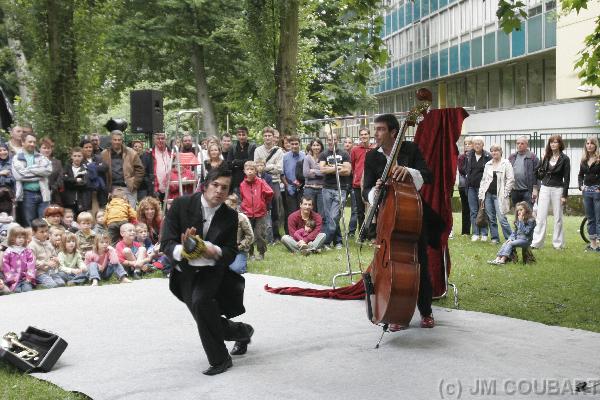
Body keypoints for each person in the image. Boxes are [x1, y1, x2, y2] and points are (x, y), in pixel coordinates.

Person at [161, 167, 254, 375]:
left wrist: (216, 251)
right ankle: (242, 331)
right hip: (184, 272)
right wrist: (183, 251)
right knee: (206, 318)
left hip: (212, 272)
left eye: (225, 188)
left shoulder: (230, 216)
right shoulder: (181, 205)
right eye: (215, 185)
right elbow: (166, 242)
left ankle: (220, 360)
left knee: (202, 303)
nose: (219, 191)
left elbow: (231, 251)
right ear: (205, 185)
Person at [362, 113, 435, 329]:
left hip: (411, 216)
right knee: (388, 268)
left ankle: (426, 311)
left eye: (381, 129)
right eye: (375, 129)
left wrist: (409, 171)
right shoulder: (372, 157)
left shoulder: (410, 150)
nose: (376, 133)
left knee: (418, 263)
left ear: (394, 132)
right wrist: (374, 191)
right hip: (386, 219)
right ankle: (395, 312)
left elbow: (427, 175)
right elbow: (365, 189)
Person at [531, 135, 570, 250]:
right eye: (551, 142)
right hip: (545, 188)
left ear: (560, 144)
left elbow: (567, 178)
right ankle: (537, 243)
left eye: (556, 142)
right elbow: (537, 174)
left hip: (558, 189)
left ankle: (558, 244)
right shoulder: (546, 157)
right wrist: (542, 161)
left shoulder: (565, 158)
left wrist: (564, 195)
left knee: (558, 218)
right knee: (541, 216)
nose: (553, 144)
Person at [12, 133, 52, 227]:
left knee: (44, 222)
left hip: (43, 194)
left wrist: (29, 169)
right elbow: (20, 176)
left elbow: (48, 171)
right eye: (30, 141)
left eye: (34, 142)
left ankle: (43, 241)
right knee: (29, 223)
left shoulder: (41, 156)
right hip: (27, 194)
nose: (32, 144)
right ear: (22, 142)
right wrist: (39, 174)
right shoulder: (17, 157)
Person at [319, 133, 351, 249]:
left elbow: (347, 171)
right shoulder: (323, 154)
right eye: (329, 140)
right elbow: (322, 170)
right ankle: (338, 242)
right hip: (327, 188)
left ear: (338, 140)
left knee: (334, 216)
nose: (331, 141)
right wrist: (337, 168)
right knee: (329, 217)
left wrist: (330, 168)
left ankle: (326, 242)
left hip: (340, 188)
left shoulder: (344, 154)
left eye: (334, 139)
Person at [478, 144, 514, 243]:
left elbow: (510, 179)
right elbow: (484, 180)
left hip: (500, 195)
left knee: (502, 218)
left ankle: (510, 239)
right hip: (488, 194)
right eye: (492, 151)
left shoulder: (506, 163)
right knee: (491, 218)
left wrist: (505, 193)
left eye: (496, 151)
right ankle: (495, 238)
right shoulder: (488, 164)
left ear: (500, 152)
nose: (494, 153)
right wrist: (481, 195)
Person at [100, 130, 144, 207]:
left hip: (128, 187)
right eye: (115, 140)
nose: (117, 142)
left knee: (131, 214)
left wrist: (134, 184)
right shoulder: (104, 154)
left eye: (119, 140)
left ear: (122, 140)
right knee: (115, 214)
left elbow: (140, 169)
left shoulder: (131, 152)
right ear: (111, 140)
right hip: (112, 188)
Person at [254, 127, 284, 242]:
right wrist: (272, 166)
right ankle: (261, 235)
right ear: (263, 137)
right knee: (260, 207)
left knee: (275, 208)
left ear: (273, 137)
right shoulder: (258, 150)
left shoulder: (279, 151)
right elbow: (256, 167)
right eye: (265, 136)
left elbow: (280, 169)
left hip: (275, 182)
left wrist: (265, 167)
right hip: (260, 181)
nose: (267, 138)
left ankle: (276, 235)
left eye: (269, 136)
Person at [240, 161, 273, 261]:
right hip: (247, 213)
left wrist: (263, 202)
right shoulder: (242, 184)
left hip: (260, 213)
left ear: (256, 171)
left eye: (252, 169)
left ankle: (261, 253)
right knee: (248, 234)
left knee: (260, 234)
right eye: (248, 170)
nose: (250, 172)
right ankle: (250, 254)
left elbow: (270, 192)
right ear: (244, 171)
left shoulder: (261, 182)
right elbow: (242, 197)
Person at [465, 136, 492, 241]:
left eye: (479, 143)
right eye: (475, 143)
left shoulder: (487, 156)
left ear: (483, 145)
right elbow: (465, 169)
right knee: (473, 211)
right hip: (471, 187)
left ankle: (484, 234)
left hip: (483, 188)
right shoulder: (469, 155)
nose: (477, 145)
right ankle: (475, 233)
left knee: (483, 210)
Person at [28, 218, 65, 289]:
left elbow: (54, 255)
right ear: (33, 232)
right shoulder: (32, 245)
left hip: (50, 271)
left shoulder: (48, 243)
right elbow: (32, 262)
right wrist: (46, 263)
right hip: (39, 273)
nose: (45, 234)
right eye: (41, 232)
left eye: (46, 231)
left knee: (61, 283)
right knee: (52, 285)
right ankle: (37, 284)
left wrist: (56, 260)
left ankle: (46, 281)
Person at [350, 128, 373, 235]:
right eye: (361, 135)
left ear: (369, 135)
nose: (363, 136)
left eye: (365, 134)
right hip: (357, 184)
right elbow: (353, 166)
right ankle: (362, 234)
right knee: (360, 211)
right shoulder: (355, 150)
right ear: (359, 136)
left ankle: (371, 234)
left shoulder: (375, 148)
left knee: (372, 210)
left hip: (371, 184)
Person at [578, 137, 600, 251]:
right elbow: (580, 175)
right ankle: (593, 244)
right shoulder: (583, 160)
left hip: (597, 191)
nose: (589, 145)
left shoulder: (599, 159)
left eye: (592, 143)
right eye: (587, 143)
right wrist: (581, 186)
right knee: (591, 218)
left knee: (598, 218)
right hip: (587, 192)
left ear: (596, 145)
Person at [225, 194, 254, 274]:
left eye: (230, 205)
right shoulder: (220, 217)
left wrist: (240, 246)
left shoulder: (242, 218)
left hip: (239, 250)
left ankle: (242, 264)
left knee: (235, 270)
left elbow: (250, 236)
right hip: (225, 249)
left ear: (235, 205)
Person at [508, 135, 540, 208]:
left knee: (527, 214)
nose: (519, 145)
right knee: (517, 213)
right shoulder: (512, 157)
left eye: (522, 143)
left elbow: (538, 174)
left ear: (527, 145)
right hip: (515, 191)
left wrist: (535, 189)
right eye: (518, 143)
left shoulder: (533, 157)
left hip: (528, 191)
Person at [2, 226, 36, 293]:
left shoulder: (27, 250)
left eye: (23, 237)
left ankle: (27, 284)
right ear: (12, 238)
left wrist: (29, 276)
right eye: (19, 237)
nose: (21, 239)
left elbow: (31, 262)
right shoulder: (9, 251)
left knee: (27, 290)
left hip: (25, 278)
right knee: (17, 291)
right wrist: (11, 278)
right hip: (14, 279)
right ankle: (16, 285)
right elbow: (6, 266)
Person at [61, 147, 91, 216]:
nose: (77, 158)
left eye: (79, 156)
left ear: (82, 157)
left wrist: (70, 182)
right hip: (69, 200)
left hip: (82, 200)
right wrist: (75, 180)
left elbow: (84, 183)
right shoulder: (67, 167)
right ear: (71, 156)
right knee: (69, 218)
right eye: (75, 156)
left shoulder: (86, 168)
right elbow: (63, 180)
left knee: (81, 219)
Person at [282, 136, 305, 222]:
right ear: (289, 145)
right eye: (292, 144)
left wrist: (302, 184)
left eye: (296, 144)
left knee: (302, 211)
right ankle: (291, 233)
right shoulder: (285, 157)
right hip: (290, 187)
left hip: (301, 187)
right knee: (291, 212)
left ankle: (302, 232)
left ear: (299, 144)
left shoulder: (304, 156)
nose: (294, 146)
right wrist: (287, 186)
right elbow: (282, 174)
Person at [228, 127, 256, 195]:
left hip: (249, 180)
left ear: (247, 135)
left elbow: (251, 162)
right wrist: (243, 162)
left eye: (243, 134)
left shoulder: (252, 147)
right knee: (236, 203)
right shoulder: (233, 148)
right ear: (237, 136)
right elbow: (229, 164)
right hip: (236, 181)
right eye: (239, 134)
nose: (241, 136)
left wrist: (235, 162)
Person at [39, 137, 64, 206]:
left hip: (54, 195)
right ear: (39, 149)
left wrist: (52, 189)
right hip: (38, 195)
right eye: (44, 148)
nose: (46, 150)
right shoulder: (35, 161)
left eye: (48, 148)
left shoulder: (58, 162)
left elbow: (60, 179)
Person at [302, 138, 324, 214]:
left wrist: (313, 170)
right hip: (309, 188)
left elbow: (325, 173)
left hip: (321, 189)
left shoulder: (324, 158)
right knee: (309, 212)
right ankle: (309, 226)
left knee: (321, 213)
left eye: (318, 145)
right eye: (314, 145)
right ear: (311, 147)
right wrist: (319, 171)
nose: (316, 147)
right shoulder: (307, 158)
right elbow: (305, 173)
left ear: (321, 146)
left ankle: (320, 226)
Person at [457, 137, 472, 235]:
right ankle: (465, 231)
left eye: (469, 144)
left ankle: (477, 231)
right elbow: (462, 169)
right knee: (465, 209)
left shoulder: (476, 156)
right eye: (465, 144)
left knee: (474, 209)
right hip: (463, 186)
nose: (467, 146)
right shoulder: (462, 157)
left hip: (474, 186)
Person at [150, 132, 171, 202]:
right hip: (155, 190)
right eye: (158, 138)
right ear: (154, 140)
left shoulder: (172, 153)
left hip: (171, 189)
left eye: (162, 138)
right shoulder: (149, 154)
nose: (160, 140)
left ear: (166, 140)